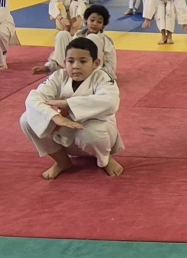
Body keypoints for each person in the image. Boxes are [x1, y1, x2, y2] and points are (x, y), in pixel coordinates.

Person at [22, 37, 124, 179]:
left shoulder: (103, 78)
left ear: (96, 63)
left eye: (83, 61)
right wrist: (54, 116)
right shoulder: (59, 76)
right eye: (71, 61)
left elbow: (110, 102)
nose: (76, 66)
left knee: (90, 133)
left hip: (98, 136)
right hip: (66, 134)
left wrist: (68, 104)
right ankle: (62, 161)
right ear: (65, 63)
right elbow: (33, 98)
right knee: (27, 119)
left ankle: (105, 159)